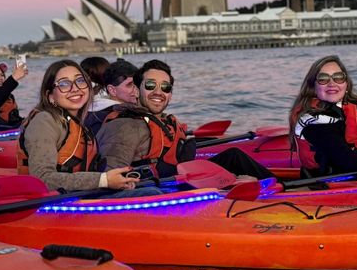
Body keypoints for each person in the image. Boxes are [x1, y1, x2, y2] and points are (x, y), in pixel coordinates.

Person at [97, 59, 274, 181]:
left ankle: (285, 187)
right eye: (150, 85)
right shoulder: (124, 126)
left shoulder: (164, 121)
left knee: (234, 156)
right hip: (163, 187)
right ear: (136, 90)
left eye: (165, 87)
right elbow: (113, 177)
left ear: (171, 94)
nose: (158, 92)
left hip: (181, 176)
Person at [17, 60, 159, 196]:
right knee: (151, 194)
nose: (75, 89)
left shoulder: (79, 124)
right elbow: (42, 178)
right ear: (50, 96)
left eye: (80, 81)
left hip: (79, 195)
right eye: (64, 84)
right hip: (54, 203)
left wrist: (119, 179)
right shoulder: (44, 121)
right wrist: (103, 180)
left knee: (151, 188)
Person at [83, 58, 138, 136]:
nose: (136, 89)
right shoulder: (115, 117)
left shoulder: (93, 111)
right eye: (129, 85)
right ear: (112, 90)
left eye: (137, 83)